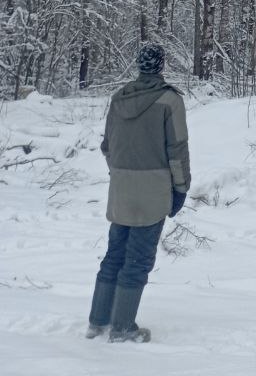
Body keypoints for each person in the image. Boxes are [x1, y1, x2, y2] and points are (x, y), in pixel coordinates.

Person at [87, 42, 191, 344]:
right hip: (154, 191)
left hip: (120, 189)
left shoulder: (118, 98)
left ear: (138, 65)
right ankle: (122, 328)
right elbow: (177, 149)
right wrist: (181, 188)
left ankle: (98, 321)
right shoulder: (170, 100)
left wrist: (120, 175)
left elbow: (108, 147)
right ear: (161, 66)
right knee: (138, 259)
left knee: (114, 255)